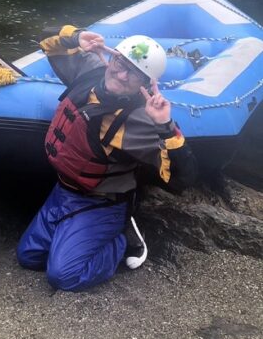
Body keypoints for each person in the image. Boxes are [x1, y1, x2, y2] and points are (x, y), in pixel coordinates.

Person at [16, 26, 197, 292]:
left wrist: (165, 126)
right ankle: (72, 236)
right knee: (28, 257)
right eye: (120, 63)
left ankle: (124, 240)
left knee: (64, 276)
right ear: (112, 58)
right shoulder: (90, 70)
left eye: (134, 74)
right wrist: (76, 36)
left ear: (145, 85)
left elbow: (184, 179)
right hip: (63, 192)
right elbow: (46, 39)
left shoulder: (138, 120)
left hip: (101, 203)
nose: (121, 75)